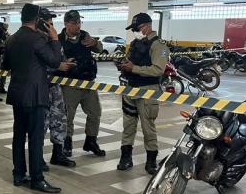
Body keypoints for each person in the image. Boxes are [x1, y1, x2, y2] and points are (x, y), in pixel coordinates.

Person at [3, 3, 63, 193]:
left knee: (19, 136)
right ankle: (37, 179)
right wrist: (54, 39)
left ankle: (18, 174)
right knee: (36, 138)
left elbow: (5, 65)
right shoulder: (38, 39)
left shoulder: (12, 39)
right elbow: (54, 61)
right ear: (37, 20)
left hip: (17, 94)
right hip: (35, 95)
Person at [117, 12, 169, 175]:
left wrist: (134, 68)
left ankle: (151, 162)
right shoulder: (135, 43)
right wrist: (124, 65)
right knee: (128, 126)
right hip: (130, 89)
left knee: (148, 128)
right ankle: (126, 158)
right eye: (134, 29)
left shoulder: (159, 45)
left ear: (147, 26)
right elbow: (130, 61)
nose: (135, 32)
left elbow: (158, 70)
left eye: (137, 28)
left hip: (148, 92)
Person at [58, 10, 106, 158]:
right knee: (68, 116)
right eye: (74, 23)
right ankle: (67, 143)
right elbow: (52, 59)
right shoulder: (58, 39)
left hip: (89, 83)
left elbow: (99, 48)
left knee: (95, 112)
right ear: (66, 24)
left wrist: (95, 43)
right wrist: (61, 64)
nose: (77, 26)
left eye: (79, 22)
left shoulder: (85, 35)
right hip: (70, 83)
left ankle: (91, 141)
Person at [39, 8, 77, 168]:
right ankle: (37, 158)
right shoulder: (35, 42)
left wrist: (65, 63)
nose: (51, 26)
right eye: (48, 23)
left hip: (55, 89)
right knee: (40, 124)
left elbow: (59, 58)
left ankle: (58, 153)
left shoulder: (54, 41)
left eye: (52, 23)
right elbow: (36, 66)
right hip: (40, 89)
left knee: (59, 120)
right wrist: (57, 66)